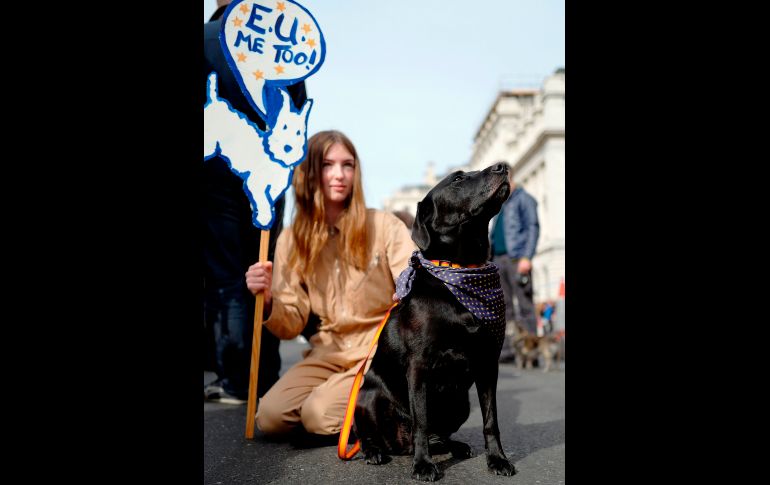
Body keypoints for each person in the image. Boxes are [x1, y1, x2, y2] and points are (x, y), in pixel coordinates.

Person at [245, 130, 415, 437]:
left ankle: (389, 411)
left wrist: (408, 290)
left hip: (378, 352)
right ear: (309, 172)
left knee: (318, 416)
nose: (339, 174)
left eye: (347, 165)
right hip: (327, 353)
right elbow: (291, 322)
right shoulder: (291, 239)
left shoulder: (385, 225)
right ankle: (356, 407)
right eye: (327, 165)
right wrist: (267, 298)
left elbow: (414, 280)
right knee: (269, 416)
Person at [203, 0, 308, 403]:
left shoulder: (207, 40)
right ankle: (263, 375)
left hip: (215, 177)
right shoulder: (285, 38)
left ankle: (235, 379)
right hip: (272, 174)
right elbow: (296, 107)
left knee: (229, 278)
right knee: (264, 270)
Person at [490, 162, 540, 363]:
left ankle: (532, 351)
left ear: (511, 178)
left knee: (526, 306)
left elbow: (532, 228)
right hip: (499, 260)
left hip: (517, 259)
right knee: (505, 308)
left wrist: (527, 257)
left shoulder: (525, 200)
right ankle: (510, 351)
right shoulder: (500, 204)